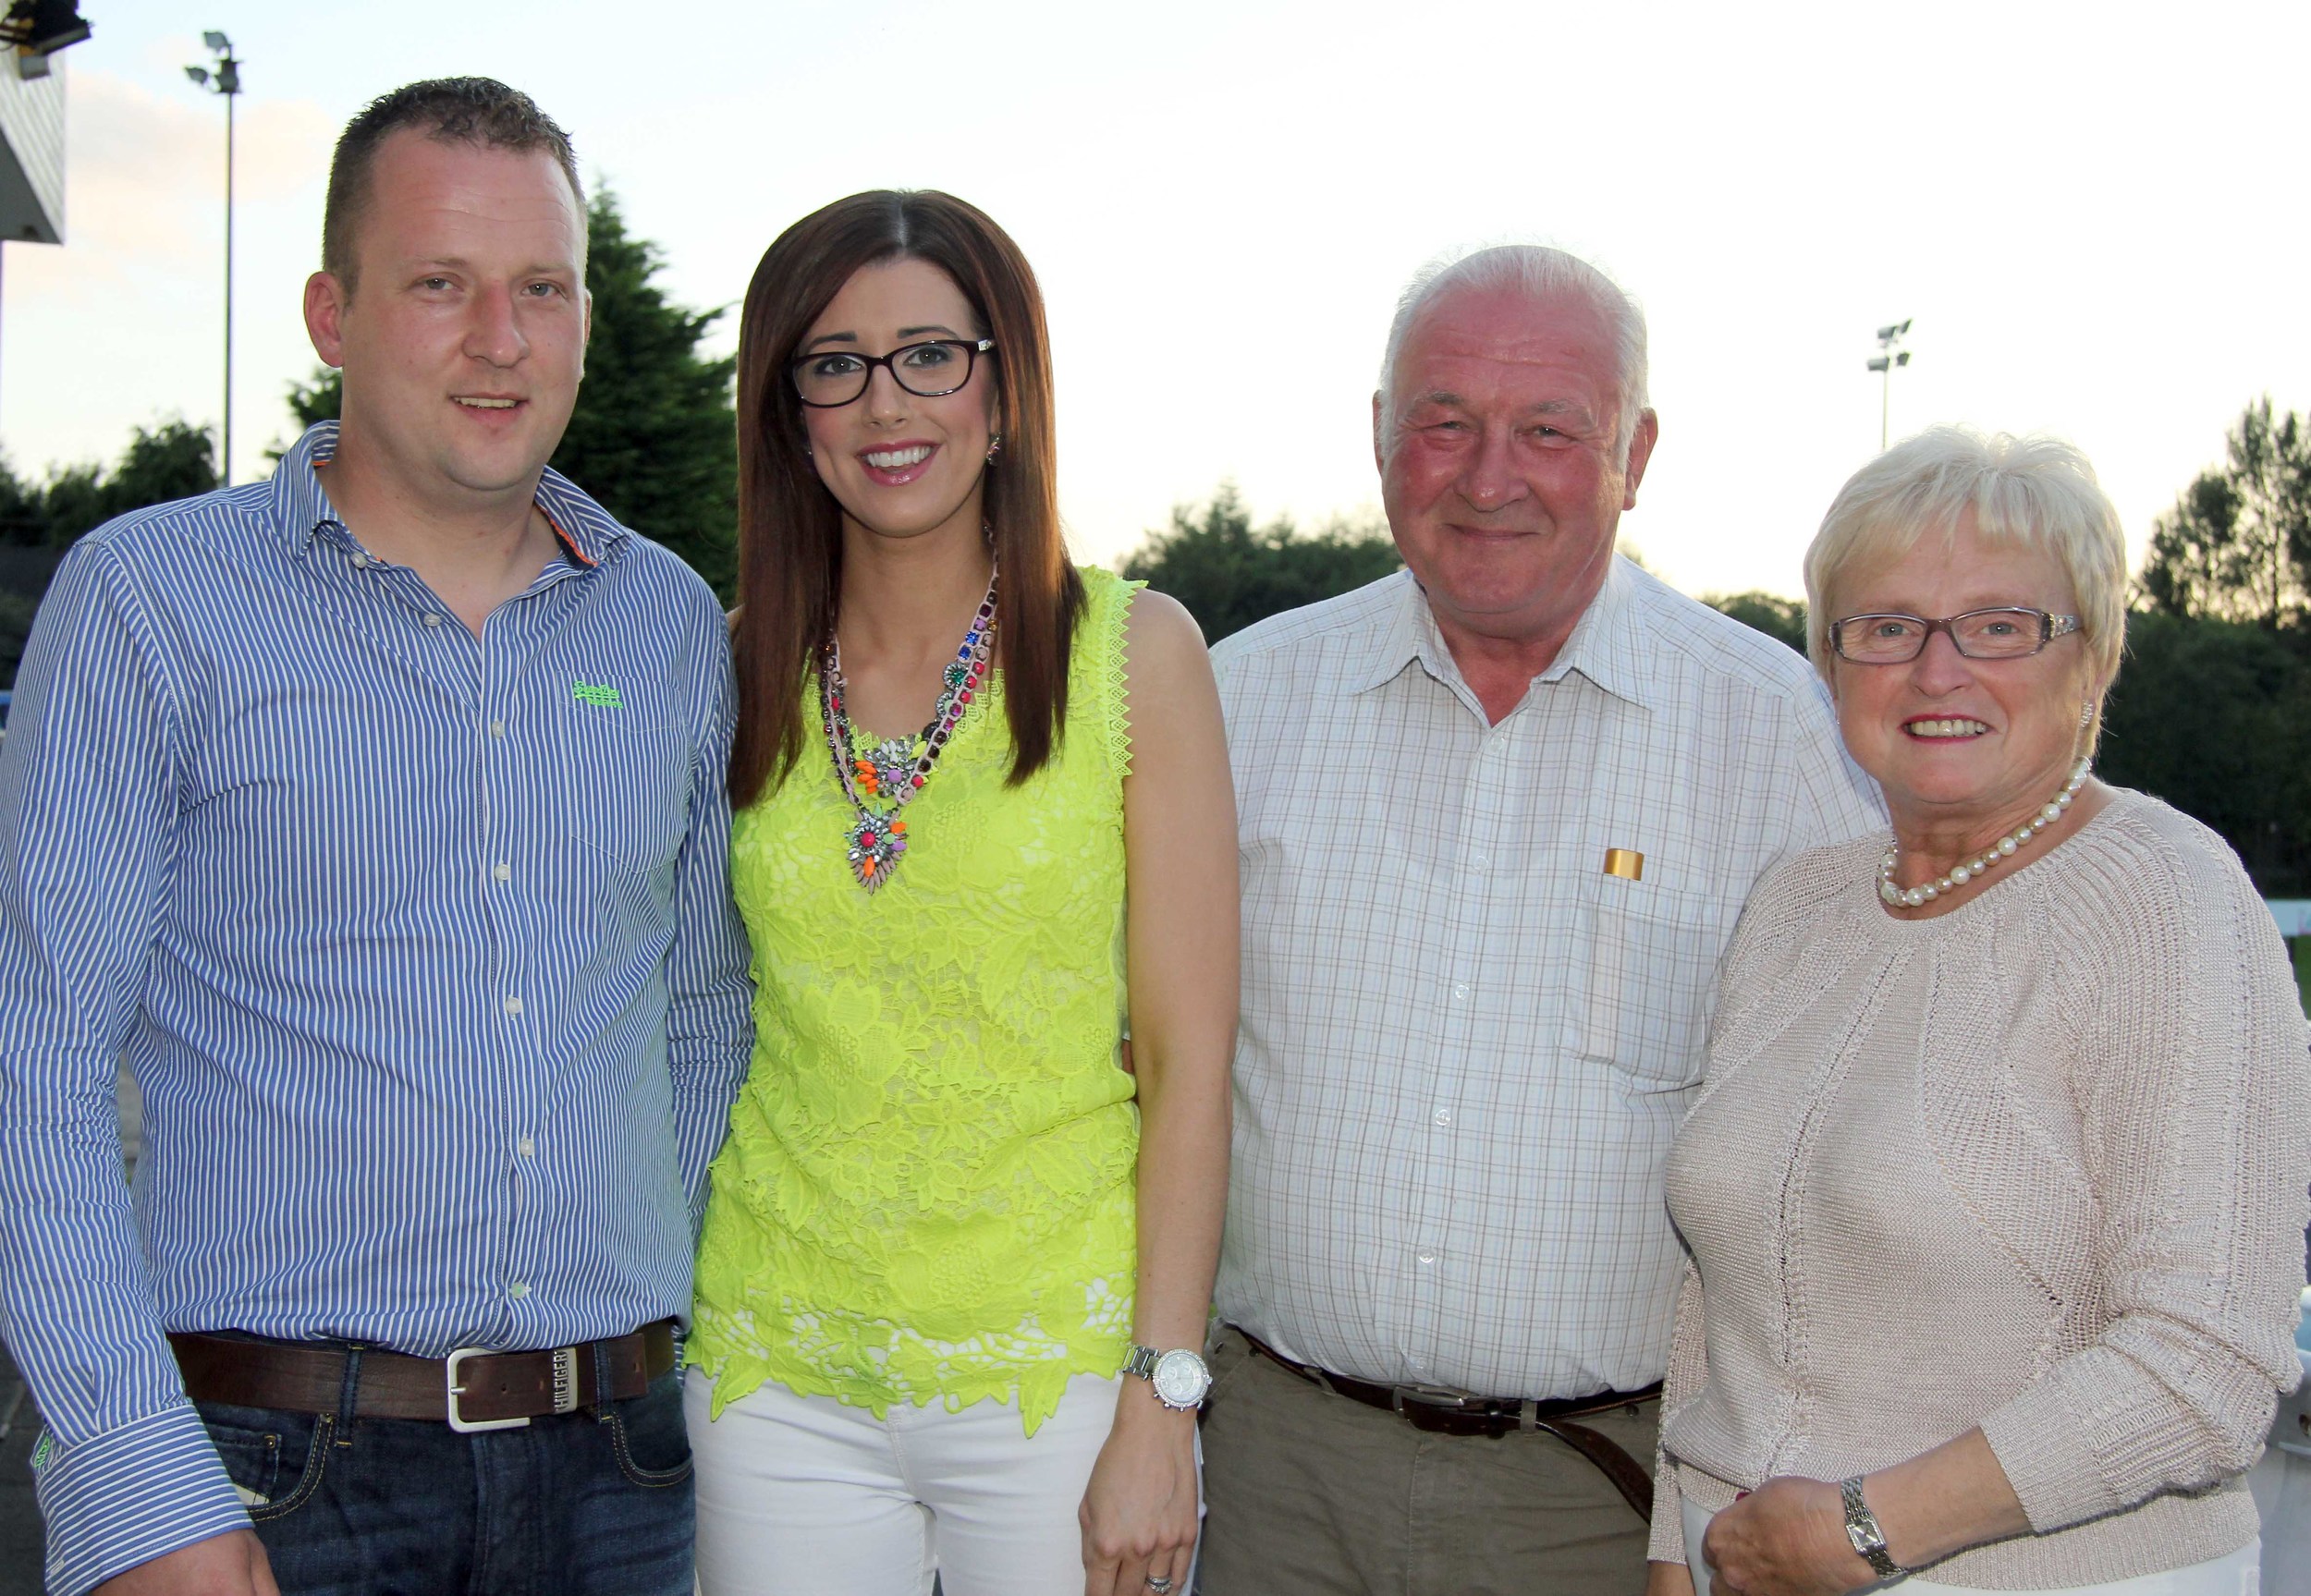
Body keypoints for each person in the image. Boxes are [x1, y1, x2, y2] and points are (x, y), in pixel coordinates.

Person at [0, 79, 753, 1596]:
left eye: (543, 287)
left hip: (625, 1472)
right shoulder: (151, 600)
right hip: (276, 1479)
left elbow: (702, 1008)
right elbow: (35, 1053)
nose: (502, 339)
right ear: (330, 314)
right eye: (440, 285)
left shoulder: (667, 619)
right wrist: (142, 1487)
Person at [1193, 243, 1886, 1595]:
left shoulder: (1786, 738)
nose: (1488, 473)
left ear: (1638, 451)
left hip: (1602, 1505)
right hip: (1270, 1477)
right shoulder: (1234, 703)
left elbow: (1850, 1136)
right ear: (1381, 436)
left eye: (1549, 430)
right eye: (1444, 420)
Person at [680, 190, 1238, 1596]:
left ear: (1005, 388)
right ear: (787, 409)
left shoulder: (1134, 653)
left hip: (1055, 1366)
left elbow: (1188, 1058)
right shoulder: (731, 662)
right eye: (834, 361)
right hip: (774, 1359)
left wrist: (1163, 1394)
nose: (886, 402)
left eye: (931, 352)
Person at [1649, 429, 2311, 1596]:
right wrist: (1673, 1552)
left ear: (2093, 654)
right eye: (1885, 626)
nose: (1937, 668)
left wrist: (1861, 1528)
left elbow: (2203, 1359)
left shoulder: (2168, 898)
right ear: (1829, 664)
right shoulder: (1798, 905)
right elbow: (1719, 1284)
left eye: (2000, 625)